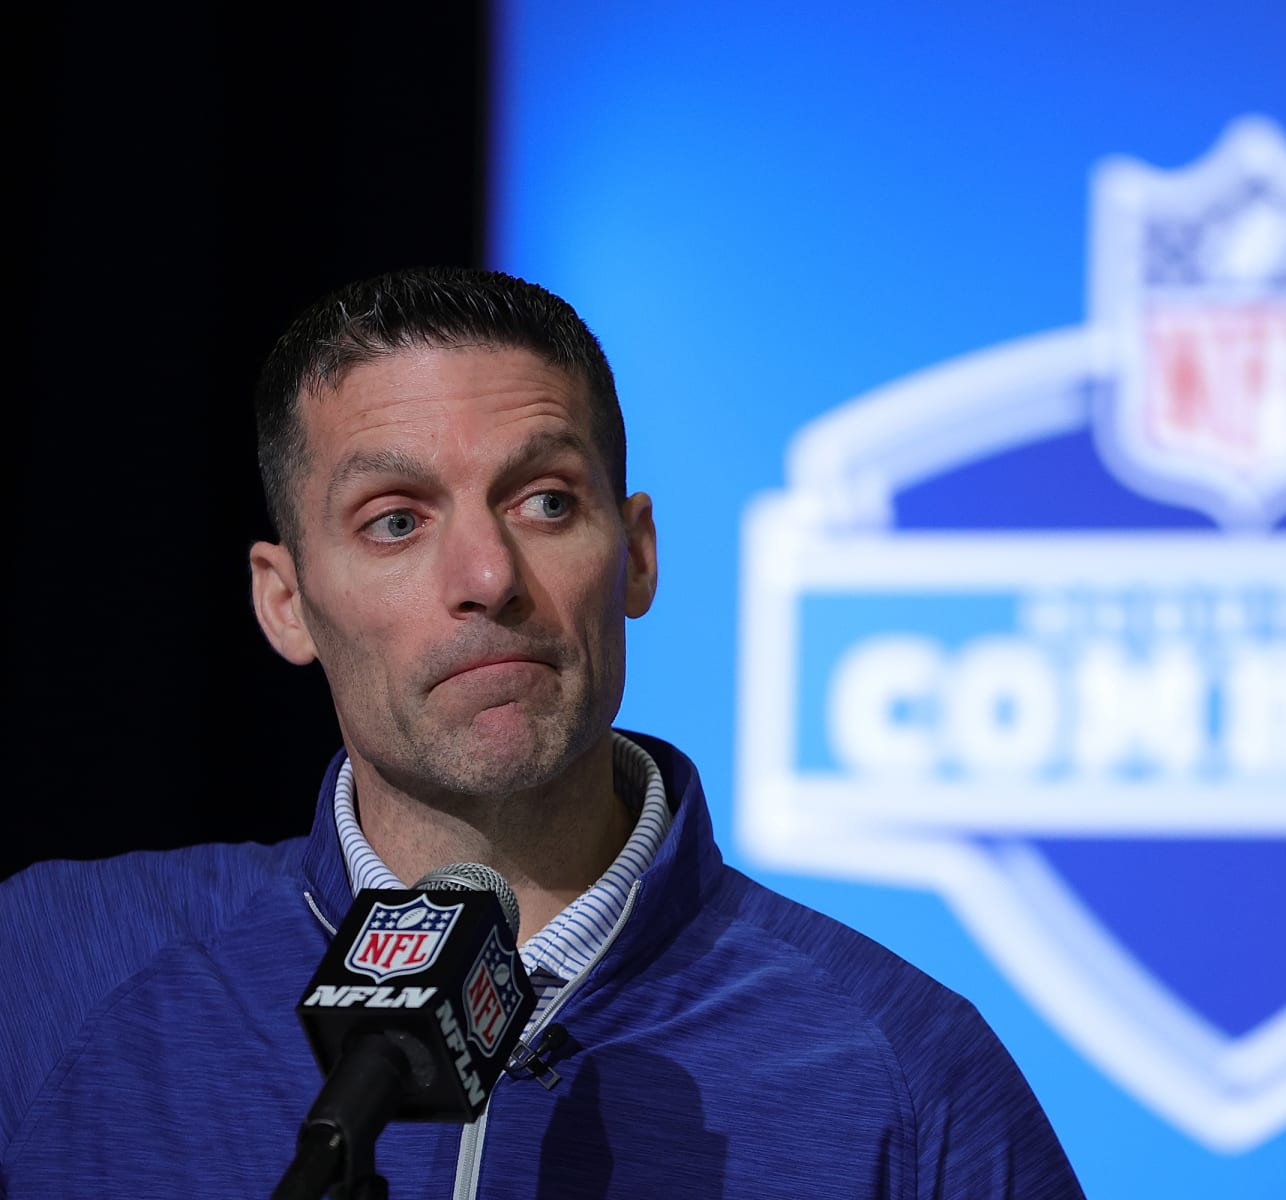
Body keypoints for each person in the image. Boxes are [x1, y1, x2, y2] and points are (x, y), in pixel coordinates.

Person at [0, 267, 1085, 1197]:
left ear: (639, 554)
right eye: (395, 521)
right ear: (286, 603)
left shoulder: (906, 1071)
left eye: (546, 503)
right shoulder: (55, 975)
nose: (487, 578)